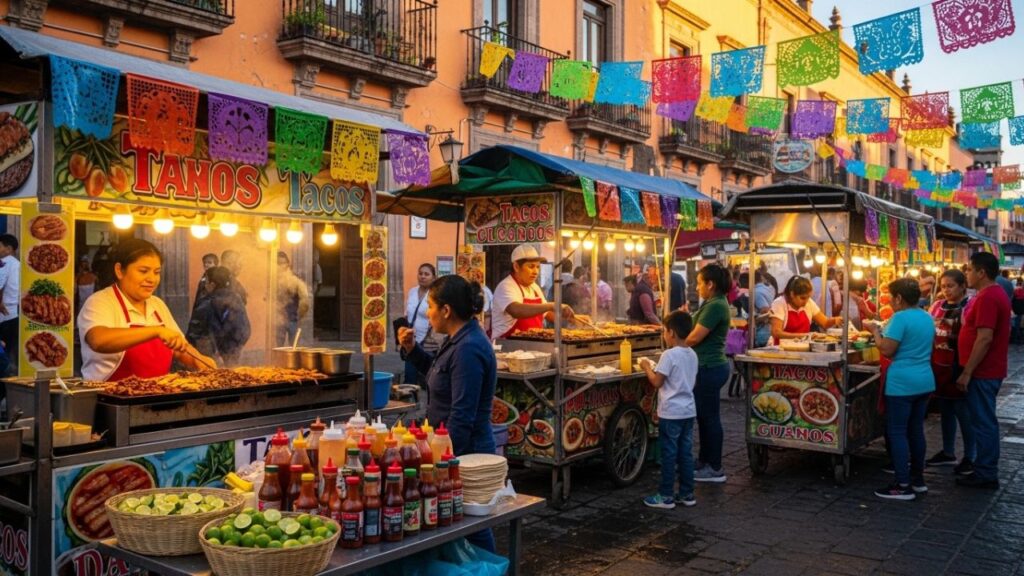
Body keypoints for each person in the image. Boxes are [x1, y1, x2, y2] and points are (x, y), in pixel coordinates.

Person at [397, 274, 497, 552]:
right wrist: (411, 349)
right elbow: (436, 373)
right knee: (458, 521)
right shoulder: (457, 340)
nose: (427, 314)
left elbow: (462, 415)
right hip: (454, 447)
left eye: (430, 306)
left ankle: (492, 570)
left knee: (473, 524)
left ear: (446, 310)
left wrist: (441, 462)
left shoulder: (469, 348)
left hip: (466, 450)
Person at [78, 239, 216, 381]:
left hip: (156, 396)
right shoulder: (101, 302)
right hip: (111, 399)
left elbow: (178, 346)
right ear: (119, 271)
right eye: (143, 271)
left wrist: (198, 360)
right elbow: (98, 340)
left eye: (156, 272)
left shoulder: (157, 305)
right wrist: (156, 331)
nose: (152, 279)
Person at [866, 278, 935, 500]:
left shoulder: (900, 318)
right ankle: (918, 481)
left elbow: (886, 349)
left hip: (902, 384)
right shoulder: (926, 316)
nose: (890, 302)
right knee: (915, 431)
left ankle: (902, 484)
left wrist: (875, 330)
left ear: (898, 298)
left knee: (897, 433)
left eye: (890, 297)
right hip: (924, 380)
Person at [956, 252, 1011, 490]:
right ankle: (983, 467)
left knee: (984, 422)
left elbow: (985, 338)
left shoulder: (989, 296)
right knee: (982, 420)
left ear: (981, 272)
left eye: (969, 269)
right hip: (986, 370)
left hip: (983, 372)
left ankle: (986, 472)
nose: (966, 273)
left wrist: (968, 371)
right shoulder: (989, 294)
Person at [640, 311, 698, 509]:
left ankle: (665, 495)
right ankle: (687, 494)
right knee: (685, 453)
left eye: (665, 331)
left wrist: (647, 366)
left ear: (671, 332)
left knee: (669, 454)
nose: (664, 334)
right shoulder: (692, 354)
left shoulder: (669, 355)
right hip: (688, 411)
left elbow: (657, 381)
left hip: (671, 412)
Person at [685, 264, 733, 483]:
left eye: (699, 282)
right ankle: (704, 460)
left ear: (710, 284)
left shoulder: (715, 306)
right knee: (704, 417)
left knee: (710, 418)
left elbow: (695, 338)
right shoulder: (714, 303)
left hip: (709, 367)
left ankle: (715, 467)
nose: (697, 287)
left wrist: (675, 346)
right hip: (707, 366)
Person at [925, 269, 975, 475]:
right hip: (938, 365)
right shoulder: (936, 306)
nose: (946, 290)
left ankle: (970, 456)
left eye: (951, 286)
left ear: (962, 286)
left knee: (964, 413)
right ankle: (948, 452)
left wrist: (967, 370)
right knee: (945, 409)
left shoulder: (970, 306)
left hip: (959, 366)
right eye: (943, 286)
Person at [491, 244, 575, 339]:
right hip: (506, 346)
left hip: (532, 345)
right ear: (516, 267)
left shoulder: (534, 287)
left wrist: (573, 318)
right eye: (531, 267)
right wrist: (552, 305)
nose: (536, 272)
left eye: (538, 267)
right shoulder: (506, 286)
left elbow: (547, 314)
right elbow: (516, 310)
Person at [186, 266, 251, 367]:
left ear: (212, 285)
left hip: (211, 357)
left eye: (206, 281)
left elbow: (195, 334)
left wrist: (214, 355)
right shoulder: (236, 298)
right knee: (233, 378)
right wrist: (235, 349)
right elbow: (245, 329)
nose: (205, 284)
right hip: (233, 353)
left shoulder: (207, 303)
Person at [770, 276, 842, 342]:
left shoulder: (809, 303)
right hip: (781, 350)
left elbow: (825, 323)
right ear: (792, 294)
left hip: (802, 349)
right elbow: (776, 332)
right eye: (802, 298)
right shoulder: (779, 303)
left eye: (808, 297)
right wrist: (805, 336)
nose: (806, 302)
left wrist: (835, 320)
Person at [404, 263, 441, 385]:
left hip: (427, 342)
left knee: (428, 377)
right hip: (412, 340)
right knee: (409, 376)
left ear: (433, 277)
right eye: (420, 273)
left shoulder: (435, 295)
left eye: (426, 274)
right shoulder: (412, 291)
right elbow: (407, 314)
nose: (422, 277)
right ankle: (411, 401)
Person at [275, 251, 310, 347]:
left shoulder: (296, 282)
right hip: (277, 321)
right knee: (278, 348)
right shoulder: (272, 282)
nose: (281, 266)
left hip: (292, 320)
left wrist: (299, 316)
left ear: (288, 264)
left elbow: (305, 301)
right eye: (278, 263)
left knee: (293, 349)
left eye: (283, 263)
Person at [0, 235, 20, 375]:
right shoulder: (18, 264)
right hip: (14, 313)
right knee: (10, 349)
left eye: (0, 246)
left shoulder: (5, 262)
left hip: (4, 315)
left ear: (8, 248)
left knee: (3, 353)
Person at [752, 270, 774, 347]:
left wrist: (753, 320)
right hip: (769, 331)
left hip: (763, 333)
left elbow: (765, 310)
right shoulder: (768, 288)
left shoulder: (756, 292)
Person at [1011, 278, 1024, 345]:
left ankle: (1015, 338)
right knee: (1018, 324)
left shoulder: (1015, 290)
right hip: (1021, 310)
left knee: (1015, 324)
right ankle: (1018, 338)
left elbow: (1012, 300)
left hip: (1015, 309)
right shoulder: (1022, 290)